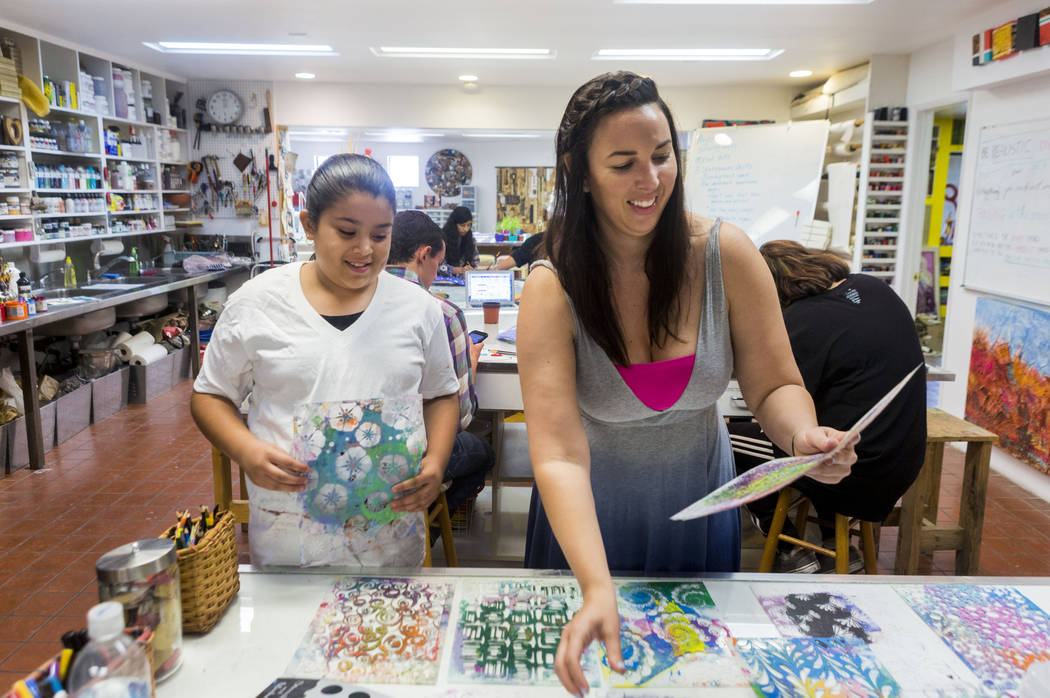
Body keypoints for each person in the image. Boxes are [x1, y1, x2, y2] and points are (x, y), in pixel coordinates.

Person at [515, 71, 858, 695]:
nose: (650, 180)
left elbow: (774, 385)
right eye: (623, 164)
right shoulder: (552, 285)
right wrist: (595, 583)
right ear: (580, 172)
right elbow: (559, 453)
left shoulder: (727, 254)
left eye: (662, 155)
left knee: (693, 674)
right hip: (588, 519)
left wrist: (803, 436)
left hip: (699, 504)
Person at [191, 154, 460, 568]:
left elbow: (442, 395)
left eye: (380, 234)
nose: (365, 249)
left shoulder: (418, 308)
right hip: (289, 544)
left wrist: (437, 462)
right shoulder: (257, 303)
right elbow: (209, 395)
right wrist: (246, 450)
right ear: (309, 225)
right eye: (347, 232)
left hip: (390, 549)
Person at [730, 240, 927, 573]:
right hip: (902, 461)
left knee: (724, 441)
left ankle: (790, 552)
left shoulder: (801, 320)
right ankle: (835, 544)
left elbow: (777, 393)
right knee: (828, 424)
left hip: (853, 472)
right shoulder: (874, 289)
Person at [386, 210, 495, 513]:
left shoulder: (356, 300)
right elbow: (460, 418)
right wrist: (470, 364)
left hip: (365, 449)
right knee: (483, 454)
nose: (437, 273)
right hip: (417, 456)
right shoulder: (443, 313)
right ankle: (430, 524)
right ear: (424, 255)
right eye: (438, 263)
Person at [440, 206, 478, 275]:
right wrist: (454, 270)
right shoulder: (441, 239)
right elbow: (438, 266)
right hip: (444, 279)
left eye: (469, 225)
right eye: (462, 225)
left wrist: (471, 269)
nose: (466, 229)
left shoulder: (471, 240)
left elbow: (475, 262)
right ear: (454, 224)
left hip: (463, 278)